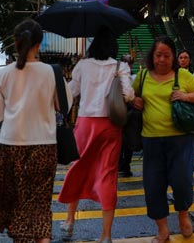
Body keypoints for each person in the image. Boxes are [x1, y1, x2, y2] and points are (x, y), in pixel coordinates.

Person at [0, 19, 71, 243]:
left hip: (11, 144)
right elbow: (64, 105)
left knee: (18, 202)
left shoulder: (4, 75)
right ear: (39, 44)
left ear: (15, 43)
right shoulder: (51, 73)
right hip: (44, 144)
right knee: (40, 202)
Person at [58, 28, 135, 243]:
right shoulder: (120, 66)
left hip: (86, 124)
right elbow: (128, 95)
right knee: (108, 175)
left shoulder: (83, 64)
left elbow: (70, 92)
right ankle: (106, 235)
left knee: (78, 168)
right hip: (111, 126)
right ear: (113, 47)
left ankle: (70, 221)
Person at [131, 36, 194, 243]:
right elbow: (131, 95)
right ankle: (163, 230)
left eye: (166, 55)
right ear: (152, 56)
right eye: (158, 55)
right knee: (154, 186)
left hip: (181, 140)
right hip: (151, 141)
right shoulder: (143, 76)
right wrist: (134, 100)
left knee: (182, 182)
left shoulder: (182, 75)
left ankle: (183, 215)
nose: (162, 60)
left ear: (173, 57)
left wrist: (185, 96)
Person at [118, 54, 137, 178]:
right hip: (118, 110)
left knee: (128, 140)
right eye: (125, 62)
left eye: (129, 63)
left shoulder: (135, 77)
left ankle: (126, 165)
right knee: (119, 140)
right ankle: (120, 164)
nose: (127, 65)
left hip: (130, 112)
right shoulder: (116, 76)